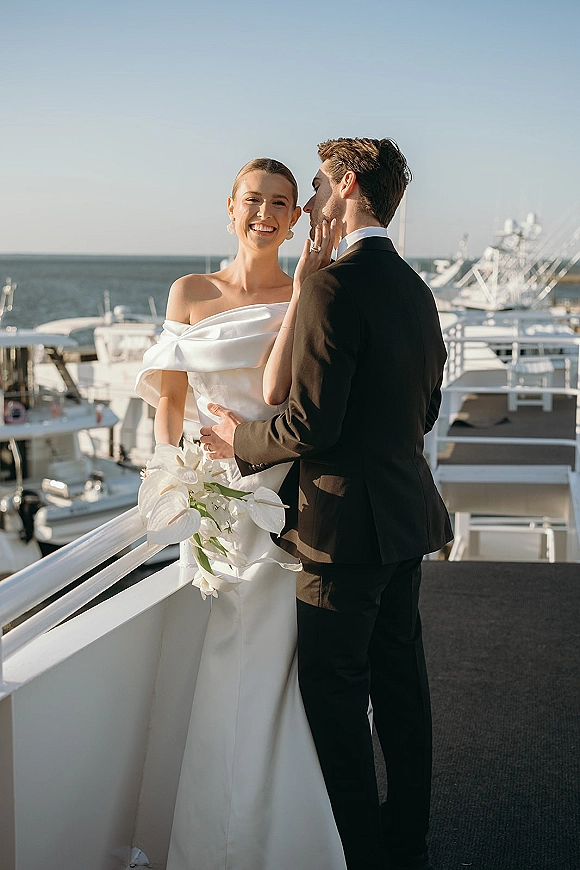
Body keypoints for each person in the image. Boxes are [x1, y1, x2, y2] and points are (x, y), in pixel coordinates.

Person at [201, 138, 453, 870]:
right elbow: (427, 409)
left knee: (335, 701)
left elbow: (312, 423)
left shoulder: (332, 288)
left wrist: (237, 438)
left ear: (346, 184)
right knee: (403, 694)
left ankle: (361, 854)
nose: (306, 204)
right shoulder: (414, 287)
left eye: (313, 187)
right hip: (407, 521)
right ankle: (405, 840)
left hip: (342, 535)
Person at [135, 157, 347, 870]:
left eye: (281, 202)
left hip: (290, 504)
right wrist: (178, 480)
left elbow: (307, 406)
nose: (265, 211)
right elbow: (169, 401)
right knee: (228, 664)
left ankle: (279, 838)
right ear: (229, 207)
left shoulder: (306, 292)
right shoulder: (189, 291)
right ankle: (221, 838)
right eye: (253, 199)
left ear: (294, 219)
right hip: (218, 504)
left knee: (276, 668)